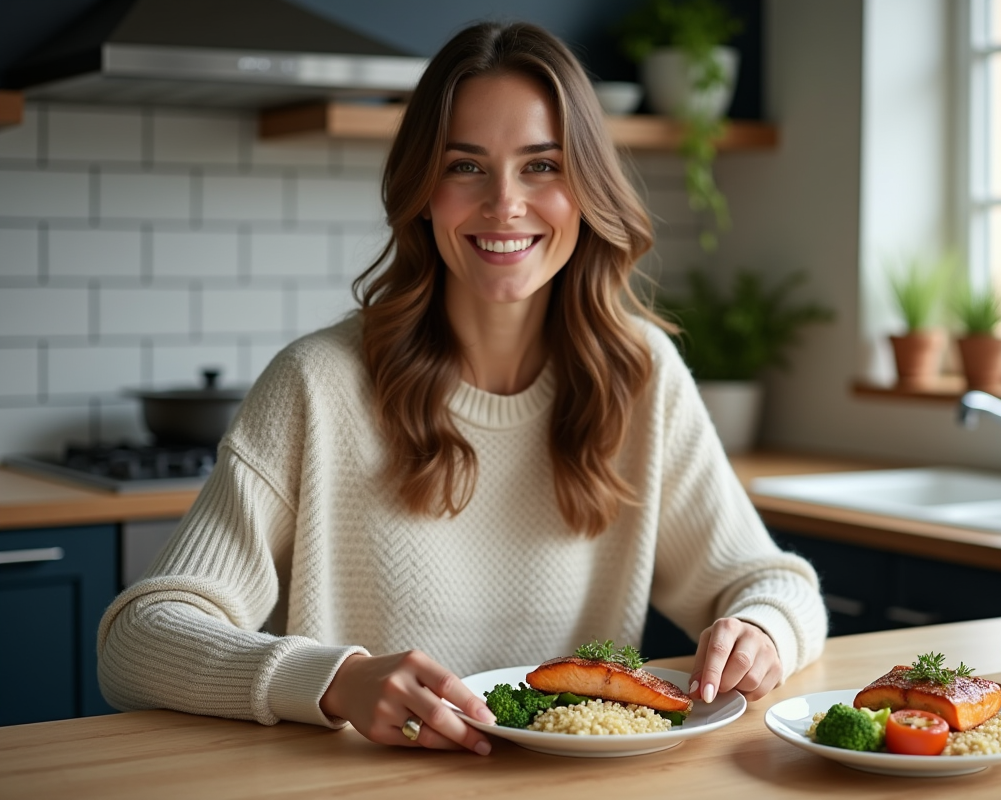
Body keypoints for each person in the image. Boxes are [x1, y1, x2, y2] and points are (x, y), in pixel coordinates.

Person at [96, 21, 827, 757]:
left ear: (586, 188)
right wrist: (333, 679)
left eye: (541, 166)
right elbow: (138, 639)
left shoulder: (639, 374)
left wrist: (761, 629)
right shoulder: (317, 385)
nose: (504, 203)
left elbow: (770, 582)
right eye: (466, 167)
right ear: (422, 192)